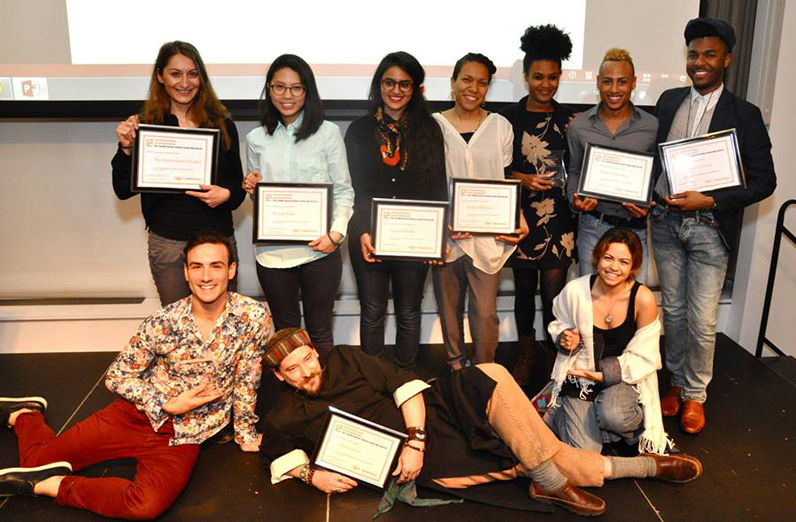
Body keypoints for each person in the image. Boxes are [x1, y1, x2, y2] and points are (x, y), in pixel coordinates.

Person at [259, 327, 702, 517]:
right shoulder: (282, 412)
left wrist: (415, 437)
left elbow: (405, 385)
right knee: (525, 453)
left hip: (428, 417)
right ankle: (645, 467)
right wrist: (310, 474)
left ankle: (546, 477)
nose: (306, 372)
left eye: (306, 360)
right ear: (281, 376)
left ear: (314, 351)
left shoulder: (344, 358)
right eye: (293, 370)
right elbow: (274, 453)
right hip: (404, 461)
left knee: (488, 373)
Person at [0, 231, 272, 520]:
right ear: (186, 273)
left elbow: (248, 376)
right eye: (196, 266)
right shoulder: (162, 321)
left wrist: (244, 431)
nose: (206, 276)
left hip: (184, 436)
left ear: (231, 270)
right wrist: (163, 404)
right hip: (135, 416)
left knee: (144, 506)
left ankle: (52, 485)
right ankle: (25, 415)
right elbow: (116, 377)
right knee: (34, 461)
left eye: (216, 266)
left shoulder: (252, 317)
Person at [651, 18, 776, 434]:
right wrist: (650, 195)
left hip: (709, 227)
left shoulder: (745, 114)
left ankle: (694, 395)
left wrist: (713, 199)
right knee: (672, 312)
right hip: (667, 225)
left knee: (702, 319)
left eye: (708, 55)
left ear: (726, 59)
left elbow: (764, 181)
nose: (699, 62)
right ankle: (673, 383)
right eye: (693, 54)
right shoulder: (668, 101)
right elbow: (654, 158)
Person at [112, 41, 246, 306]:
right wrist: (126, 149)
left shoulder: (222, 124)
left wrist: (227, 194)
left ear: (201, 78)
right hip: (169, 244)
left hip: (217, 240)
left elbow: (238, 187)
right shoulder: (145, 126)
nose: (184, 82)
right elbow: (122, 189)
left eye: (192, 74)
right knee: (177, 329)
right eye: (176, 74)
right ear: (161, 76)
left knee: (224, 330)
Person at [242, 54, 354, 355]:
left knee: (320, 332)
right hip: (273, 254)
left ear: (308, 91)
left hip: (320, 250)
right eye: (279, 87)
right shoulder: (255, 138)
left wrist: (336, 235)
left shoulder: (328, 133)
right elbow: (262, 196)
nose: (287, 95)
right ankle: (292, 401)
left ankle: (325, 398)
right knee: (286, 334)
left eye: (296, 88)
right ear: (269, 89)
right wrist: (252, 188)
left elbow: (344, 191)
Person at [346, 52, 448, 370]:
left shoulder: (429, 129)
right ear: (379, 84)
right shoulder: (359, 130)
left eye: (405, 84)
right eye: (389, 82)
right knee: (373, 312)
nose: (396, 90)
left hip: (414, 240)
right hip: (368, 236)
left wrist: (438, 236)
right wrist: (362, 229)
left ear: (416, 89)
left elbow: (437, 187)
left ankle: (404, 377)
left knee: (408, 311)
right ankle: (373, 379)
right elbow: (352, 188)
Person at [432, 53, 529, 370]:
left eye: (482, 81)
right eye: (467, 79)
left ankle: (485, 369)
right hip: (448, 233)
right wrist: (441, 222)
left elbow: (506, 177)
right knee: (449, 309)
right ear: (453, 83)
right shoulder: (434, 126)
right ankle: (455, 366)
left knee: (485, 312)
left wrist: (520, 216)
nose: (473, 87)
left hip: (489, 235)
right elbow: (427, 181)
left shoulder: (500, 126)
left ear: (489, 86)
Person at [545, 228, 670, 455]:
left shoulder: (643, 298)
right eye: (608, 258)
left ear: (634, 266)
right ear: (597, 258)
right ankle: (578, 417)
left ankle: (605, 423)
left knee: (615, 416)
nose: (614, 267)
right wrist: (565, 337)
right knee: (586, 453)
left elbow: (646, 354)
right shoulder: (575, 290)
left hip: (625, 376)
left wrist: (605, 375)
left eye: (623, 261)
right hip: (581, 377)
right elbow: (558, 324)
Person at [501, 24, 578, 388]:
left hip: (559, 219)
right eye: (537, 77)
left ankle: (552, 352)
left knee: (554, 296)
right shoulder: (506, 120)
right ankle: (526, 351)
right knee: (522, 291)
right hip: (522, 218)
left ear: (560, 76)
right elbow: (496, 170)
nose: (545, 84)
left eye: (552, 77)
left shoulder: (570, 120)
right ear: (526, 76)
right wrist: (524, 178)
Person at [566, 48, 658, 283]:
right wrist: (575, 200)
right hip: (592, 226)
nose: (614, 90)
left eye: (622, 82)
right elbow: (575, 170)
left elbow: (657, 174)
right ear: (598, 82)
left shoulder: (652, 126)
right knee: (590, 300)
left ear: (634, 83)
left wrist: (648, 203)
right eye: (607, 82)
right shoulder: (579, 126)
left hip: (634, 228)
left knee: (631, 303)